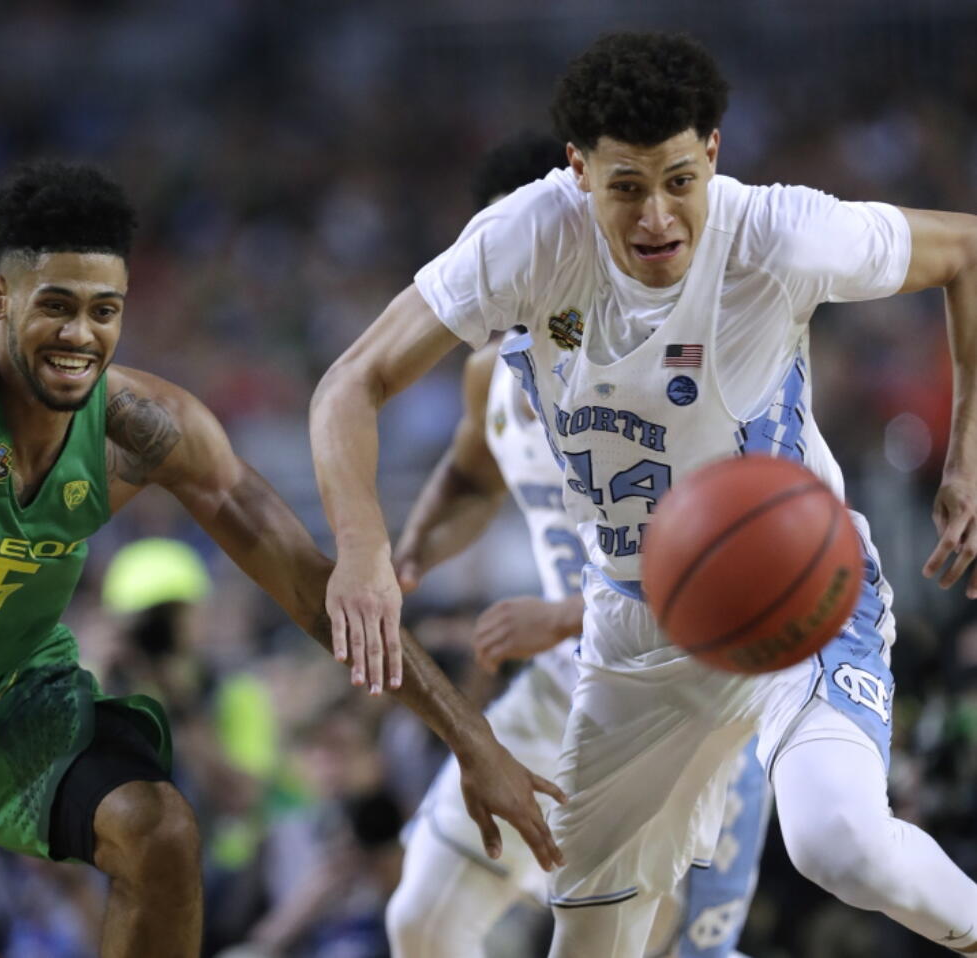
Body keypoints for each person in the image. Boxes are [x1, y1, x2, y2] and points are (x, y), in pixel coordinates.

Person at [0, 161, 564, 958]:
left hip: (3, 708)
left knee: (158, 827)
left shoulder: (142, 426)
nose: (81, 334)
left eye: (104, 310)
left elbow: (315, 591)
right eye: (56, 306)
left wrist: (472, 743)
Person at [309, 31, 977, 957]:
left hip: (800, 593)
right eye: (626, 186)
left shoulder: (777, 231)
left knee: (840, 844)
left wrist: (968, 456)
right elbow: (351, 380)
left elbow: (967, 251)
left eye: (677, 179)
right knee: (583, 943)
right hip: (633, 623)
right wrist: (368, 549)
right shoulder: (526, 237)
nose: (656, 216)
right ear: (579, 170)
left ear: (712, 153)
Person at [384, 133, 768, 958]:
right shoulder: (489, 368)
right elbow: (470, 474)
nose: (508, 268)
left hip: (678, 696)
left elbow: (735, 560)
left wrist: (564, 617)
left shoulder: (662, 353)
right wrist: (409, 551)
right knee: (421, 922)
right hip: (559, 692)